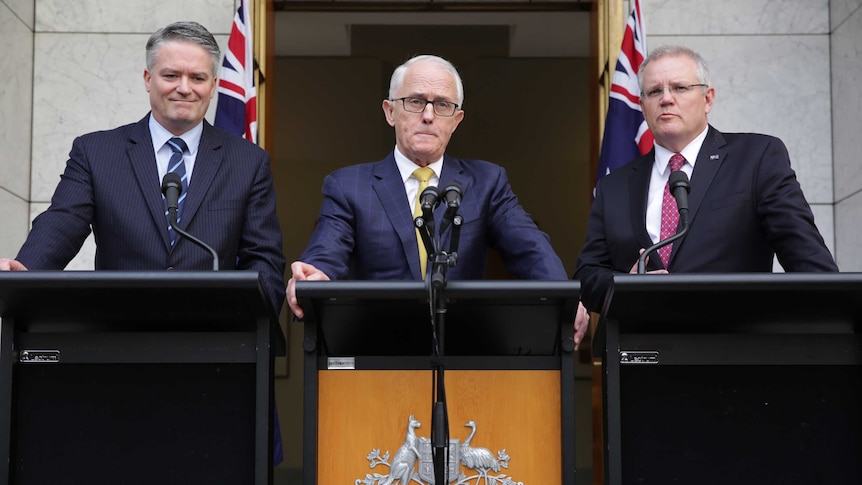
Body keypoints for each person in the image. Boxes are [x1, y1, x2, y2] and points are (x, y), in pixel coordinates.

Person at [285, 54, 590, 345]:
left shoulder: (487, 182)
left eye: (442, 105)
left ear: (456, 120)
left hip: (463, 352)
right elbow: (326, 251)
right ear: (391, 112)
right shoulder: (348, 185)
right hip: (376, 352)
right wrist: (314, 276)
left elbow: (530, 247)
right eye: (416, 102)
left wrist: (563, 297)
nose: (428, 116)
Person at [0, 21, 286, 319]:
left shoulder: (248, 162)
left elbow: (263, 257)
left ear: (213, 85)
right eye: (171, 75)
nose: (184, 88)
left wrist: (257, 325)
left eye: (197, 77)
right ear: (148, 78)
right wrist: (26, 270)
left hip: (215, 340)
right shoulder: (96, 152)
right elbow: (63, 221)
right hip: (117, 335)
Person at [575, 45, 838, 314]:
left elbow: (806, 258)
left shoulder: (756, 158)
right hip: (643, 345)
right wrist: (623, 286)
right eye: (654, 91)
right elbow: (588, 275)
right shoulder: (614, 186)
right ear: (642, 106)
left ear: (708, 99)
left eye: (680, 88)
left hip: (732, 344)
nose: (666, 99)